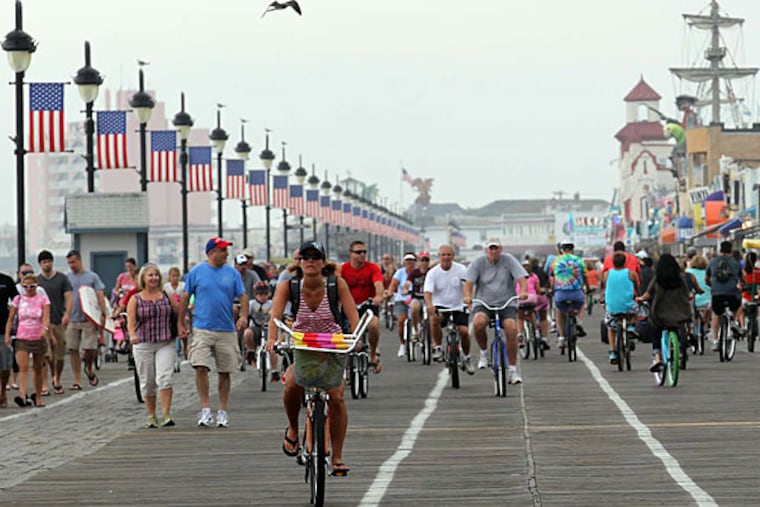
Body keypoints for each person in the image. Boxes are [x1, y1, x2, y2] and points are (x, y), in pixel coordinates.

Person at [266, 240, 359, 477]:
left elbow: (353, 316)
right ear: (299, 262)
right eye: (305, 257)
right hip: (304, 347)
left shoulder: (336, 285)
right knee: (292, 384)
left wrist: (357, 337)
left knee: (337, 396)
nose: (310, 261)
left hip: (332, 347)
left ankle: (337, 456)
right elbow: (275, 316)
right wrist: (272, 339)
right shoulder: (289, 286)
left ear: (323, 262)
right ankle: (293, 429)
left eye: (315, 257)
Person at [178, 237, 248, 428]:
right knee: (200, 366)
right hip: (202, 327)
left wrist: (243, 316)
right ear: (211, 253)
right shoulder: (197, 272)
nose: (226, 254)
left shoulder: (232, 273)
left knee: (225, 371)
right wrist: (180, 323)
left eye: (226, 250)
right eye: (222, 250)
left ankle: (223, 411)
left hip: (226, 328)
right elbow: (185, 297)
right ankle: (205, 409)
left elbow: (242, 295)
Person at [463, 238, 528, 384]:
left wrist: (523, 290)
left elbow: (521, 278)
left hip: (506, 303)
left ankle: (512, 370)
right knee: (478, 323)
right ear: (486, 250)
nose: (493, 252)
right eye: (490, 249)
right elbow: (468, 282)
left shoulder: (509, 260)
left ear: (501, 249)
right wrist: (467, 296)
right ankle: (484, 352)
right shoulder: (479, 262)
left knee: (511, 329)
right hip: (484, 303)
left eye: (496, 249)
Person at [127, 263, 180, 428]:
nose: (154, 278)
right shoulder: (135, 299)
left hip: (165, 341)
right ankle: (151, 415)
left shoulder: (166, 295)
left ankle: (165, 414)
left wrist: (181, 328)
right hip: (144, 343)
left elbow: (177, 312)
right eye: (150, 275)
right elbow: (131, 322)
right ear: (143, 278)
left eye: (156, 275)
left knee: (165, 377)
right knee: (148, 382)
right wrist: (133, 335)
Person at [636, 253, 693, 371]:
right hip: (678, 313)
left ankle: (657, 358)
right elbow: (687, 294)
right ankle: (679, 350)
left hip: (660, 315)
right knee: (676, 328)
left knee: (657, 332)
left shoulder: (657, 279)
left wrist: (640, 299)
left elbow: (647, 294)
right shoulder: (680, 279)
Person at [423, 244, 474, 373]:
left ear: (453, 256)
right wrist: (430, 305)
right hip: (440, 305)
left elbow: (468, 285)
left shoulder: (461, 269)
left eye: (449, 255)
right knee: (434, 319)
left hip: (458, 305)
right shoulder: (433, 273)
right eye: (443, 255)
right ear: (439, 256)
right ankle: (438, 347)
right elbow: (428, 292)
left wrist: (468, 298)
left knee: (463, 331)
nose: (446, 257)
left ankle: (467, 358)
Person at [5, 273, 51, 407]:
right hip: (22, 336)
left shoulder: (43, 299)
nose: (29, 289)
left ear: (36, 286)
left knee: (37, 368)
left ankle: (37, 395)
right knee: (23, 367)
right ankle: (22, 394)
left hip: (38, 336)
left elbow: (46, 317)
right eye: (26, 286)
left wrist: (45, 329)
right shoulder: (18, 299)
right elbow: (11, 318)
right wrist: (8, 334)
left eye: (32, 286)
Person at [65, 250, 107, 391]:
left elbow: (100, 294)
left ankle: (89, 366)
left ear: (79, 260)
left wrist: (102, 313)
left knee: (90, 348)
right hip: (73, 318)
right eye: (69, 263)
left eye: (73, 262)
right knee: (73, 348)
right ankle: (77, 380)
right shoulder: (68, 278)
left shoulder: (92, 277)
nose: (71, 265)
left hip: (88, 319)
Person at [340, 240, 383, 372]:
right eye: (358, 252)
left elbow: (378, 284)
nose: (362, 255)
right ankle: (344, 366)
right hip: (348, 306)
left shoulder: (372, 268)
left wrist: (378, 296)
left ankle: (373, 353)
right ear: (350, 254)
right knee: (342, 333)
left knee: (374, 324)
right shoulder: (343, 269)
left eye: (364, 252)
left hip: (367, 305)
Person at [36, 250, 73, 395]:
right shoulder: (38, 281)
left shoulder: (62, 279)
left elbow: (69, 297)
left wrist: (67, 314)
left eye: (49, 261)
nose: (47, 264)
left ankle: (57, 377)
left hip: (58, 321)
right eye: (44, 262)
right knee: (45, 354)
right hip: (43, 323)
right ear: (40, 264)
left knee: (59, 354)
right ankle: (45, 383)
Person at [550, 241, 588, 349]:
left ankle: (561, 338)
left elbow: (553, 277)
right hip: (576, 292)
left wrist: (552, 289)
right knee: (581, 304)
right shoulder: (579, 260)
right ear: (573, 249)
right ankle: (579, 322)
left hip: (561, 293)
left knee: (559, 311)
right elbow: (584, 276)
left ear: (561, 249)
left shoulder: (556, 261)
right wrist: (587, 287)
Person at [706, 241, 743, 351]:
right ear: (730, 251)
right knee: (739, 305)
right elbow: (742, 278)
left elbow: (706, 278)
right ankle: (735, 322)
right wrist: (741, 285)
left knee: (716, 314)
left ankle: (716, 340)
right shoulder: (735, 263)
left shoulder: (712, 262)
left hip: (717, 293)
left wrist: (712, 285)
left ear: (720, 250)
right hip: (732, 293)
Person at [602, 252, 638, 364]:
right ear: (625, 262)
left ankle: (612, 352)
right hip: (627, 305)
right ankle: (631, 327)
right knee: (636, 310)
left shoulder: (607, 274)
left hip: (612, 306)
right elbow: (637, 287)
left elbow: (604, 286)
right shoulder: (631, 274)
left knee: (611, 328)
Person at [243, 281, 280, 382]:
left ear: (269, 294)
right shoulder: (251, 304)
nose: (262, 297)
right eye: (260, 294)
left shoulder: (271, 304)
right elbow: (246, 315)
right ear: (255, 295)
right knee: (247, 333)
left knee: (272, 347)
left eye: (265, 294)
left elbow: (277, 314)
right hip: (256, 327)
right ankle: (251, 350)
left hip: (268, 328)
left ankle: (275, 370)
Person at [387, 252, 418, 357]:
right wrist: (390, 292)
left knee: (419, 316)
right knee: (401, 321)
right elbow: (393, 284)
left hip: (415, 299)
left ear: (415, 262)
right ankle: (402, 345)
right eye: (407, 260)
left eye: (411, 260)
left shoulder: (418, 273)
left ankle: (417, 330)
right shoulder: (400, 272)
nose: (409, 263)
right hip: (401, 300)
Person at [516, 258, 550, 351]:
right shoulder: (534, 276)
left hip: (521, 298)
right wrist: (543, 291)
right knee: (532, 312)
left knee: (520, 317)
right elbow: (538, 290)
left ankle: (520, 333)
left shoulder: (517, 277)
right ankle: (536, 331)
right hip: (532, 298)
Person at [402, 251, 431, 345]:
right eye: (422, 260)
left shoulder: (431, 272)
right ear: (419, 261)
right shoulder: (414, 273)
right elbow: (408, 283)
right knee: (414, 308)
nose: (424, 263)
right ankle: (416, 328)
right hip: (417, 297)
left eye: (426, 260)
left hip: (429, 298)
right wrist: (406, 290)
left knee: (433, 314)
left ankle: (433, 339)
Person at [0, 272, 19, 408]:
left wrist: (12, 313)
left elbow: (17, 300)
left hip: (2, 328)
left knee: (5, 365)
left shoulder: (6, 280)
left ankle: (3, 391)